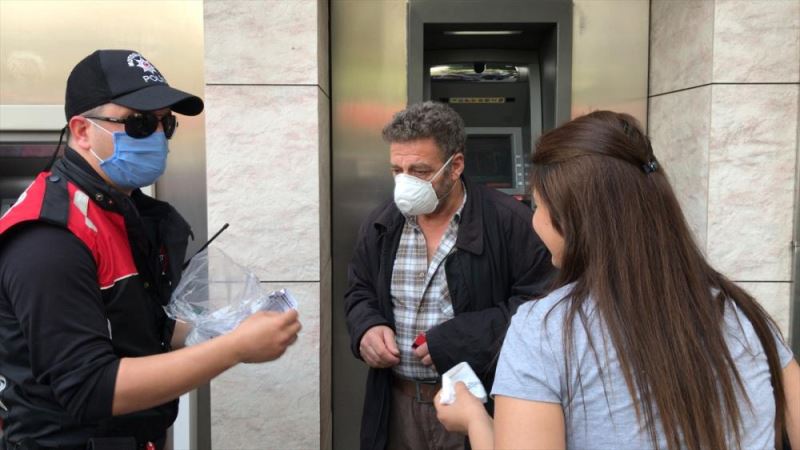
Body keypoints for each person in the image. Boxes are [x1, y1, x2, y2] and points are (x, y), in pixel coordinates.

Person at [434, 111, 800, 450]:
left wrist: (475, 420)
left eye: (538, 205)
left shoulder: (544, 331)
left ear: (573, 220)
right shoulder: (743, 315)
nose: (534, 221)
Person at [0, 50, 301, 450]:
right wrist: (234, 348)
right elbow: (90, 388)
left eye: (166, 123)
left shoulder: (124, 214)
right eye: (140, 123)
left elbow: (138, 327)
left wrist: (218, 330)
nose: (158, 136)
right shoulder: (49, 238)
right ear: (83, 131)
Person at [344, 101, 555, 450]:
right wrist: (366, 327)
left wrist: (460, 340)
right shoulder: (382, 223)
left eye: (420, 170)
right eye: (397, 170)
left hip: (476, 406)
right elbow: (359, 290)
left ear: (455, 166)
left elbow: (541, 308)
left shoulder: (511, 223)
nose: (405, 182)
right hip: (395, 404)